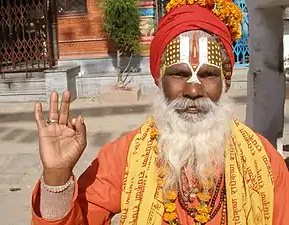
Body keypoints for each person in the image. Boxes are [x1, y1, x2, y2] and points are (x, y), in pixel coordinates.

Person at [31, 1, 289, 225]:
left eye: (209, 75)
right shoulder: (125, 155)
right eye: (179, 74)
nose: (194, 89)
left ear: (226, 82)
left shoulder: (264, 162)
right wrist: (57, 177)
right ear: (158, 80)